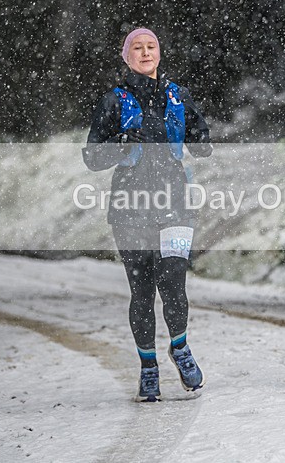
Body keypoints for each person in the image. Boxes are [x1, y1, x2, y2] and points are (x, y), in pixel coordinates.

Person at [83, 27, 213, 402]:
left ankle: (181, 348)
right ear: (126, 57)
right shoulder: (114, 100)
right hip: (129, 208)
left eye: (151, 46)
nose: (144, 53)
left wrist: (202, 142)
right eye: (136, 48)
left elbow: (200, 139)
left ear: (159, 53)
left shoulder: (178, 96)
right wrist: (120, 143)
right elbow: (92, 157)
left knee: (173, 282)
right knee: (142, 292)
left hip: (175, 202)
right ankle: (148, 367)